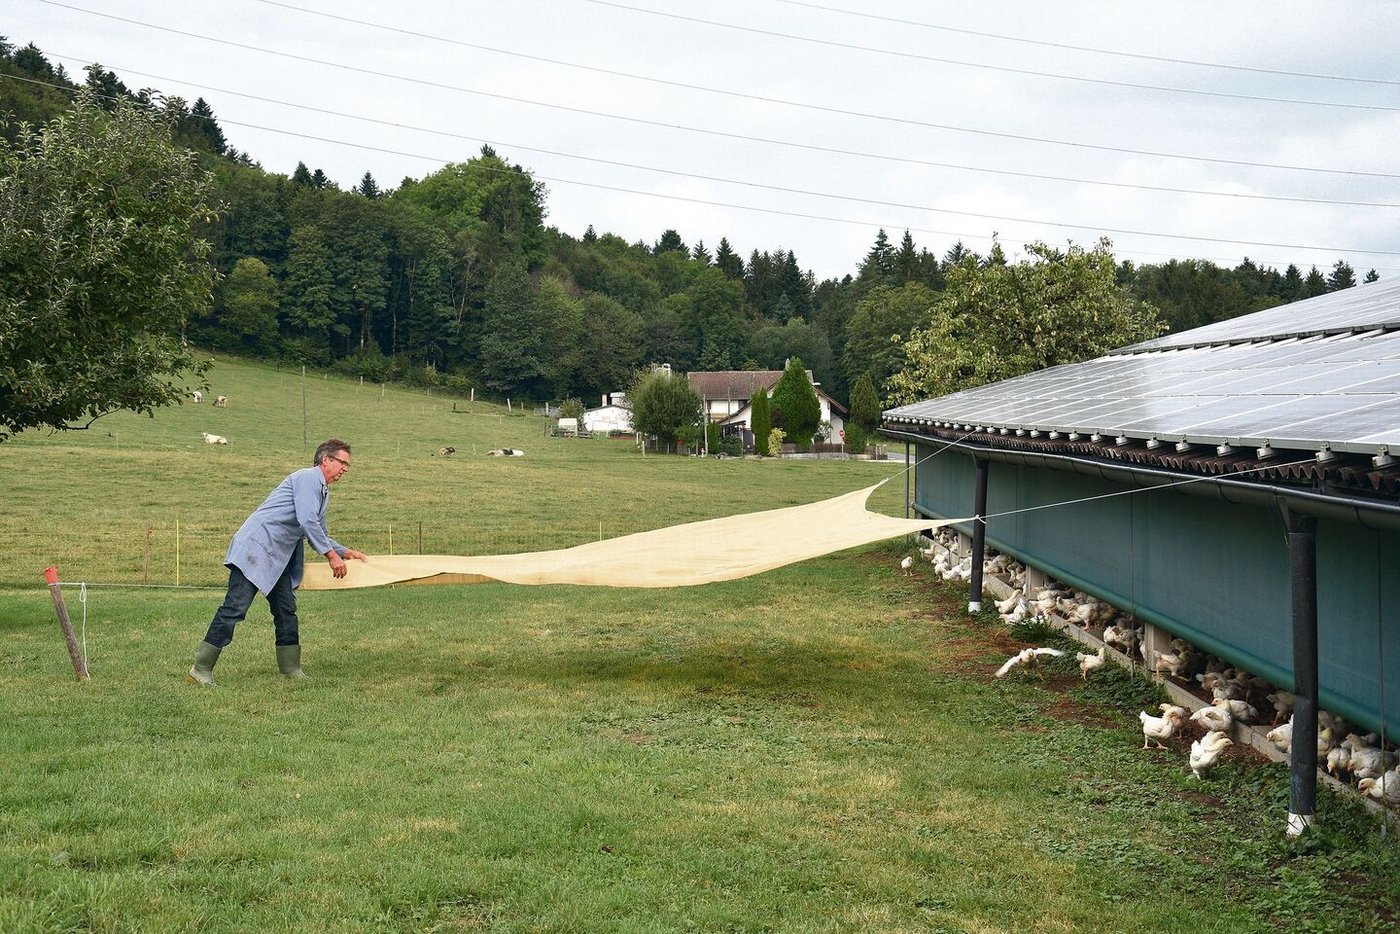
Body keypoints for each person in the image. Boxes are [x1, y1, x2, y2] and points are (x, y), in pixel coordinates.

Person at [188, 439, 367, 686]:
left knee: (285, 611)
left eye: (348, 464)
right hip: (256, 549)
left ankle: (290, 669)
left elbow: (319, 531)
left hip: (277, 558)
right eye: (342, 462)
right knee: (235, 608)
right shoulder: (307, 478)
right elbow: (307, 521)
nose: (346, 469)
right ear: (326, 460)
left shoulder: (322, 490)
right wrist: (331, 556)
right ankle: (201, 669)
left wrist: (345, 551)